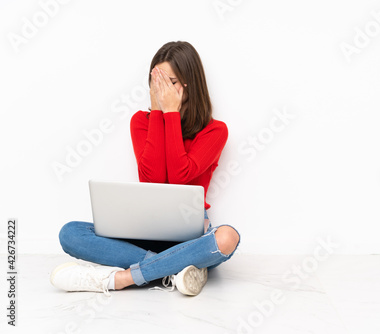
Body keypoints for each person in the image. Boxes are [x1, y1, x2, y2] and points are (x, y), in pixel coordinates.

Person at [50, 41, 241, 297]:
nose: (162, 90)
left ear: (189, 84)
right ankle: (176, 267)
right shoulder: (141, 121)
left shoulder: (215, 130)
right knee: (70, 233)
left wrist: (171, 113)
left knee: (227, 237)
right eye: (157, 81)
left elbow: (178, 178)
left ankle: (122, 278)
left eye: (170, 82)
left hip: (190, 236)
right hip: (144, 230)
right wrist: (159, 116)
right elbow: (151, 178)